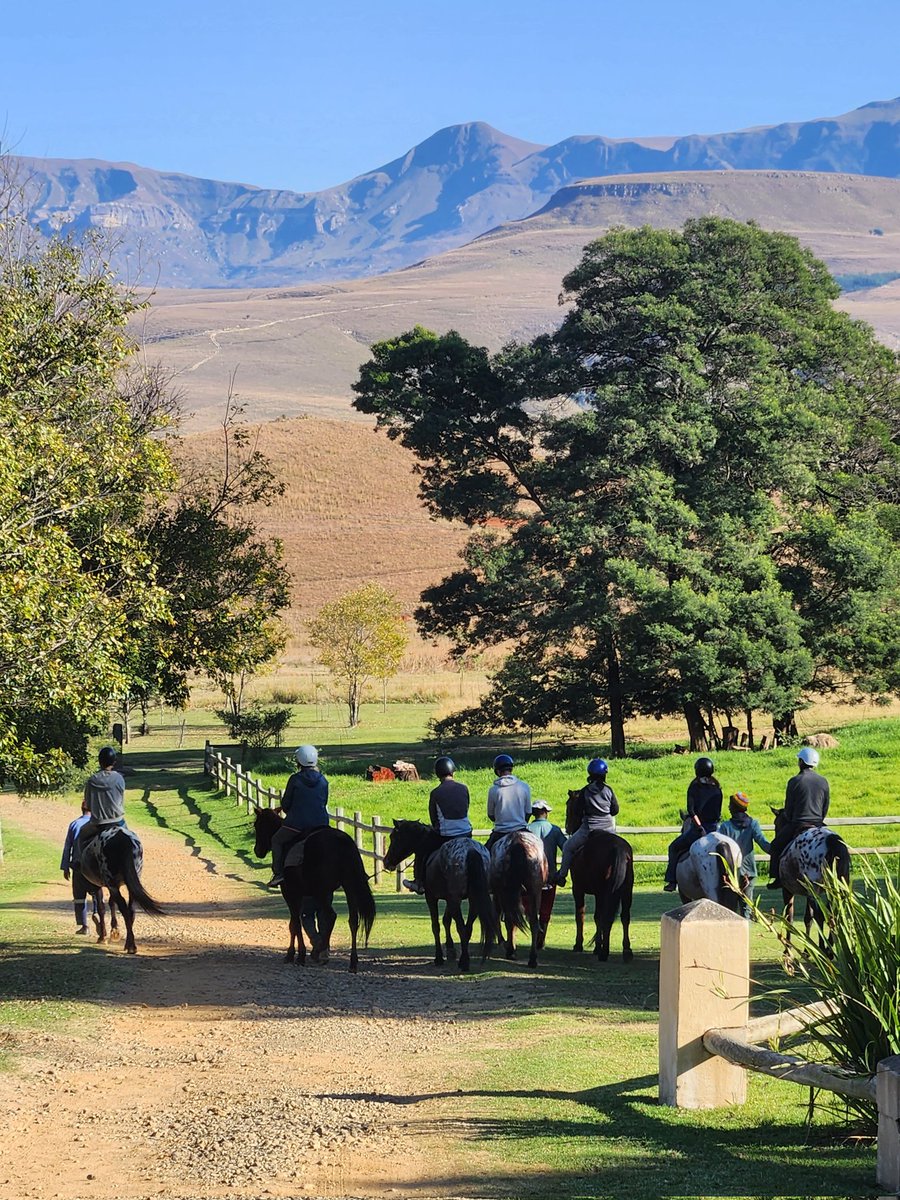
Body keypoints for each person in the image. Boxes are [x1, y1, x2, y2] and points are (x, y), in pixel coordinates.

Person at [403, 755, 473, 895]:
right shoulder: (464, 788)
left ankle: (418, 881)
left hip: (446, 835)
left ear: (437, 773)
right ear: (453, 771)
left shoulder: (435, 793)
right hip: (466, 832)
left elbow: (434, 818)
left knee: (422, 849)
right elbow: (466, 808)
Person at [766, 747, 830, 889]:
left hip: (798, 823)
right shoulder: (823, 781)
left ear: (801, 761)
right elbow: (825, 807)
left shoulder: (795, 781)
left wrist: (789, 817)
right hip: (819, 824)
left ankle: (777, 878)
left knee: (776, 845)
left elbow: (789, 808)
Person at [269, 744, 330, 887]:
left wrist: (290, 811)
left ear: (298, 761)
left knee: (276, 841)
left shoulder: (295, 779)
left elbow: (286, 804)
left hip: (296, 825)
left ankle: (278, 874)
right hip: (321, 824)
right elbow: (325, 801)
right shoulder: (323, 780)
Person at [663, 756, 723, 891]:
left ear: (697, 771)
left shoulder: (694, 788)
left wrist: (699, 827)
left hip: (699, 828)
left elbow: (691, 811)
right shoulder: (717, 789)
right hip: (715, 828)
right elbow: (717, 813)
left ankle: (671, 881)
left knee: (673, 847)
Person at [556, 759, 618, 886]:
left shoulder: (585, 791)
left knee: (568, 847)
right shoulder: (609, 790)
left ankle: (562, 876)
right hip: (609, 829)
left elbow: (578, 812)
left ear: (590, 773)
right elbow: (615, 810)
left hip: (589, 829)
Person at [718, 792, 771, 916]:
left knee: (730, 911)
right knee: (746, 910)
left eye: (731, 805)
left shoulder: (725, 827)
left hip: (731, 875)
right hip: (749, 873)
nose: (729, 807)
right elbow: (764, 844)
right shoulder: (753, 824)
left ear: (735, 808)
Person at [76, 746, 127, 859]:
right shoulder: (119, 778)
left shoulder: (92, 780)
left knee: (81, 835)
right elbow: (121, 799)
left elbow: (88, 805)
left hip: (98, 824)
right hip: (118, 821)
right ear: (114, 762)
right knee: (132, 840)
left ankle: (77, 861)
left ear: (100, 761)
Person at [529, 800, 567, 945]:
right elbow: (566, 848)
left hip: (530, 876)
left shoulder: (526, 829)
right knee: (546, 908)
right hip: (550, 875)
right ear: (545, 813)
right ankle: (541, 938)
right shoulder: (555, 829)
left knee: (530, 905)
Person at [485, 754, 532, 851]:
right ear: (511, 769)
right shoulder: (524, 787)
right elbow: (528, 812)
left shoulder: (493, 790)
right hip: (521, 829)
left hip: (501, 832)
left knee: (485, 855)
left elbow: (491, 815)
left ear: (497, 771)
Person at [61, 798, 94, 934]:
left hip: (78, 865)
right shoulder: (96, 825)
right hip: (94, 866)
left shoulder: (74, 824)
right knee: (97, 892)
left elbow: (67, 846)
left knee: (79, 896)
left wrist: (65, 866)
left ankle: (84, 926)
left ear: (82, 809)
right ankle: (97, 913)